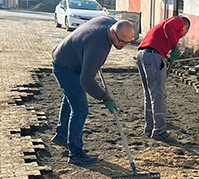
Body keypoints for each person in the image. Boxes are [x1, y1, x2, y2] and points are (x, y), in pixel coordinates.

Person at [51, 16, 136, 164]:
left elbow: (107, 17)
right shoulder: (98, 47)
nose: (123, 45)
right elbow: (86, 81)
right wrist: (105, 97)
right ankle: (76, 154)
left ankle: (62, 135)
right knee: (80, 109)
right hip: (65, 66)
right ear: (112, 32)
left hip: (70, 56)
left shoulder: (110, 22)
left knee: (70, 98)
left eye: (127, 42)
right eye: (121, 41)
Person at [135, 16, 191, 139]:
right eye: (183, 33)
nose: (181, 36)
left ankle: (149, 127)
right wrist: (174, 46)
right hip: (153, 56)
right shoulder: (178, 21)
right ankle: (159, 131)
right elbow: (169, 27)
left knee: (149, 94)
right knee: (159, 95)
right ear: (185, 28)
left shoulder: (160, 29)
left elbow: (166, 32)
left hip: (142, 55)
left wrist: (169, 52)